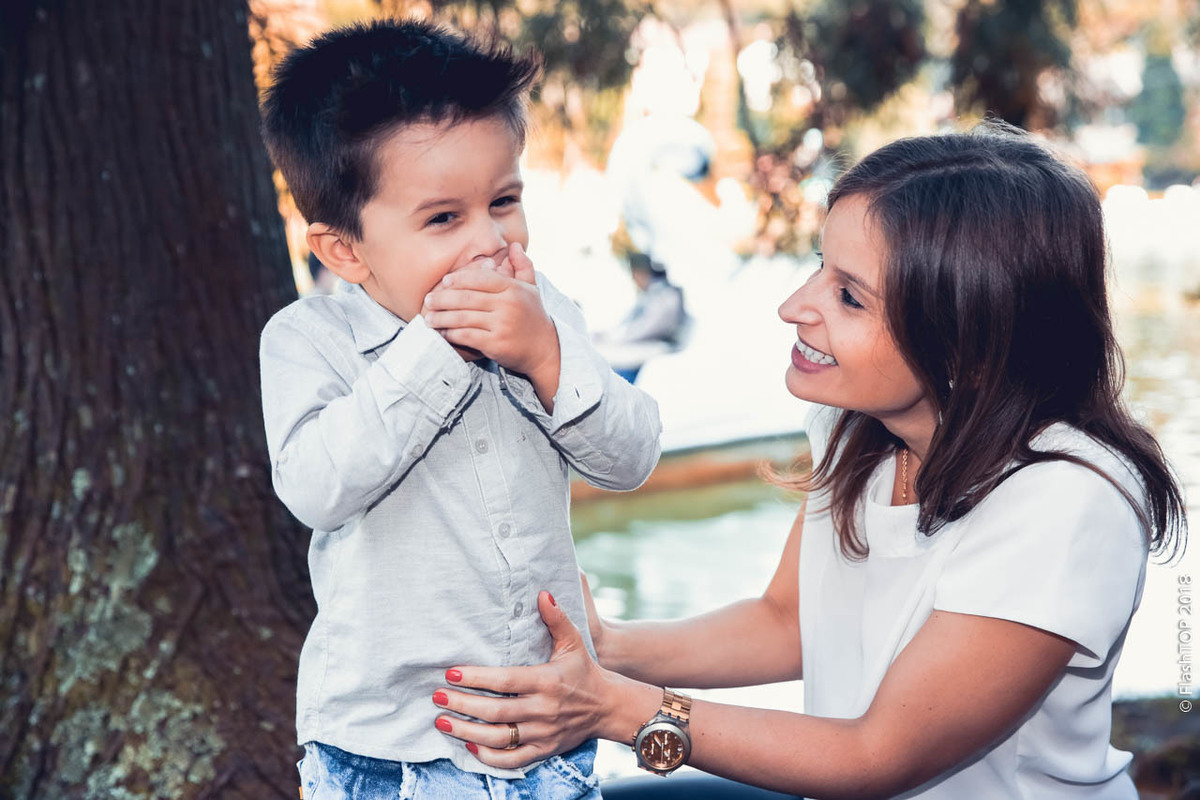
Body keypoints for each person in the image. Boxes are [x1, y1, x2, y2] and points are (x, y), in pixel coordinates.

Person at [427, 124, 1188, 799]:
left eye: (850, 297)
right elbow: (789, 623)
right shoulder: (862, 431)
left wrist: (613, 708)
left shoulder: (1067, 502)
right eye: (821, 265)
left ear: (968, 341)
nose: (795, 305)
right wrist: (606, 647)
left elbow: (875, 756)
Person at [257, 19, 662, 800]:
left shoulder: (543, 312)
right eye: (444, 218)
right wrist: (438, 350)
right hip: (387, 749)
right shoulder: (309, 340)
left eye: (503, 201)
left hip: (545, 735)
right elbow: (316, 488)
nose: (488, 241)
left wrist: (547, 359)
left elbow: (631, 458)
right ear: (345, 250)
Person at [595, 252, 691, 383]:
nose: (635, 280)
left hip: (662, 346)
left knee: (616, 363)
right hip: (646, 343)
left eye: (635, 275)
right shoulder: (649, 293)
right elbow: (629, 322)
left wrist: (619, 337)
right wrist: (609, 335)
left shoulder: (665, 295)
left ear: (643, 272)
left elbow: (649, 328)